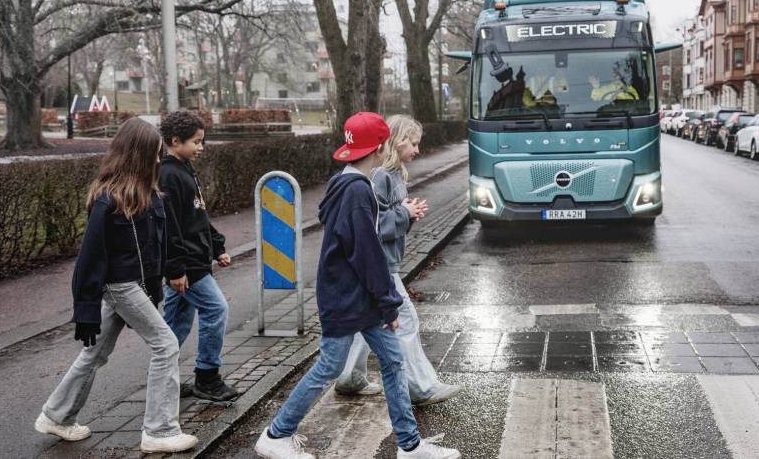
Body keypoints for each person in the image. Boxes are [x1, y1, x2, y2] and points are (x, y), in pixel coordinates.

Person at [255, 112, 460, 459]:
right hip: (347, 298)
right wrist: (388, 302)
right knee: (329, 367)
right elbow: (367, 254)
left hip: (355, 297)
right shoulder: (356, 193)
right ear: (380, 147)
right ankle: (277, 433)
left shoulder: (347, 184)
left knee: (394, 361)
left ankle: (409, 446)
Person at [35, 118, 198, 454]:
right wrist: (86, 311)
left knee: (96, 353)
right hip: (120, 287)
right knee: (166, 345)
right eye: (154, 154)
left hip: (137, 286)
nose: (158, 160)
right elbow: (89, 259)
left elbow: (156, 249)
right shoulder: (108, 200)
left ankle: (57, 416)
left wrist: (158, 286)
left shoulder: (150, 196)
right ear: (137, 154)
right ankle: (159, 430)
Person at [335, 115, 461, 407]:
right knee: (405, 321)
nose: (417, 150)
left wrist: (407, 213)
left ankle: (349, 379)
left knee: (365, 322)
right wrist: (405, 213)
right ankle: (420, 388)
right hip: (378, 266)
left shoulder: (391, 174)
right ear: (397, 141)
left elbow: (386, 220)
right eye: (413, 143)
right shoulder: (380, 176)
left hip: (376, 264)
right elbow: (371, 227)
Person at [158, 111, 237, 402]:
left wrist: (217, 247)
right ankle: (207, 377)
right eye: (196, 142)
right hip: (187, 266)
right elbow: (169, 226)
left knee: (175, 325)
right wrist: (175, 268)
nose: (201, 147)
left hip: (192, 261)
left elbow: (198, 216)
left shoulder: (185, 170)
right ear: (175, 141)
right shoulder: (167, 175)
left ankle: (164, 381)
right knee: (216, 310)